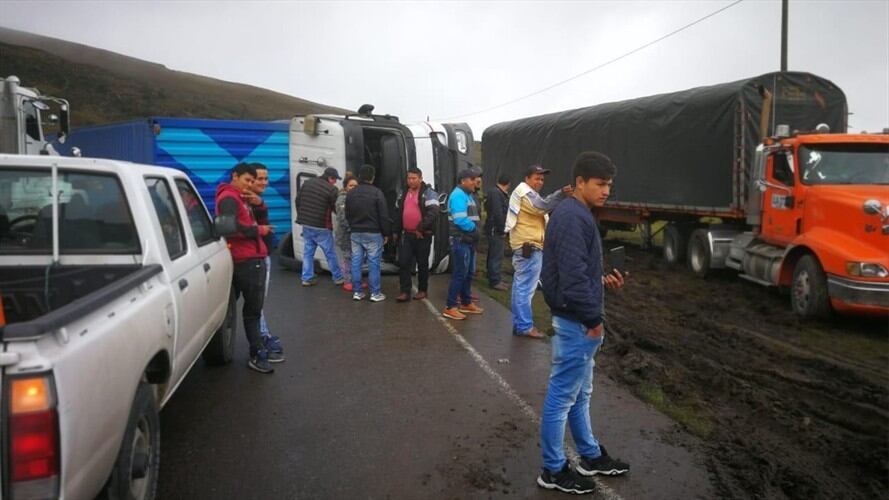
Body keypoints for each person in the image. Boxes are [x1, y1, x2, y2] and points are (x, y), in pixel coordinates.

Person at [537, 151, 629, 494]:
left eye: (609, 184)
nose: (606, 190)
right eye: (600, 184)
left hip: (577, 317)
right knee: (562, 396)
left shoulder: (576, 213)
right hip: (577, 322)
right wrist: (593, 319)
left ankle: (589, 456)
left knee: (579, 395)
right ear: (579, 182)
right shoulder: (573, 217)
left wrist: (602, 282)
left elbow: (573, 272)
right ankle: (553, 469)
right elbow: (573, 278)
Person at [215, 162, 275, 374]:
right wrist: (259, 230)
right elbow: (226, 227)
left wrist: (259, 205)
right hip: (246, 261)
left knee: (249, 310)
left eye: (252, 181)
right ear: (235, 176)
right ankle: (257, 353)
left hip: (251, 258)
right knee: (252, 312)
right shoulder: (230, 198)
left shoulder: (240, 197)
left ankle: (256, 350)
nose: (249, 184)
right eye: (246, 180)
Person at [505, 165, 571, 339]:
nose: (540, 182)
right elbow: (542, 207)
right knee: (525, 288)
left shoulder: (525, 192)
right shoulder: (525, 193)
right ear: (527, 178)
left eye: (542, 179)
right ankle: (525, 326)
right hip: (530, 246)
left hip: (526, 245)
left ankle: (520, 324)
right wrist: (561, 194)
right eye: (536, 178)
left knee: (520, 286)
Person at [245, 163, 284, 363]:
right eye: (259, 178)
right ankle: (262, 339)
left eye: (265, 179)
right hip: (253, 259)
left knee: (257, 304)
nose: (263, 182)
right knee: (255, 305)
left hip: (262, 254)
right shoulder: (247, 202)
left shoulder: (257, 201)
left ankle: (263, 336)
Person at [442, 168, 484, 320]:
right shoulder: (458, 195)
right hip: (461, 240)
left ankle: (466, 303)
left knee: (468, 273)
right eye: (472, 179)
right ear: (463, 181)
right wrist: (475, 230)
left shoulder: (468, 195)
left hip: (469, 241)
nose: (475, 182)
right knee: (460, 273)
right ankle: (450, 306)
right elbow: (460, 219)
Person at [393, 167, 439, 302]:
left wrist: (421, 228)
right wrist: (395, 231)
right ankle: (405, 291)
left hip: (423, 235)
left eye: (414, 178)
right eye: (409, 178)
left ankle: (422, 290)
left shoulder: (429, 193)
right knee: (404, 262)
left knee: (422, 264)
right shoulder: (403, 193)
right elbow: (398, 212)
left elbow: (433, 213)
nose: (411, 181)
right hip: (406, 235)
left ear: (420, 178)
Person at [345, 164, 390, 302]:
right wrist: (386, 233)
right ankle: (375, 293)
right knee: (373, 263)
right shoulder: (377, 193)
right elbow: (383, 215)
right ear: (373, 177)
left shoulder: (351, 193)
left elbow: (347, 213)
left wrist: (353, 226)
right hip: (373, 233)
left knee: (356, 262)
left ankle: (357, 292)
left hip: (355, 232)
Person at [296, 166, 345, 287]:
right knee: (330, 252)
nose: (335, 182)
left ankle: (306, 278)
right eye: (335, 179)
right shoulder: (332, 189)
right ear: (330, 178)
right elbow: (335, 208)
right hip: (321, 225)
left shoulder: (307, 183)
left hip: (306, 224)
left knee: (308, 252)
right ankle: (338, 277)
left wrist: (302, 216)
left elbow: (298, 200)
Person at [484, 173, 511, 291]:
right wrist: (502, 229)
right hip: (496, 228)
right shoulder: (496, 193)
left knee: (494, 253)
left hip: (494, 227)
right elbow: (498, 213)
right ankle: (495, 280)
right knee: (496, 254)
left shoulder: (496, 193)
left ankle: (494, 276)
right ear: (508, 184)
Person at [334, 173, 359, 292]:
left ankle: (355, 280)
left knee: (354, 258)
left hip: (352, 235)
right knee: (346, 259)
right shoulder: (342, 199)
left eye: (355, 186)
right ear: (345, 187)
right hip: (344, 236)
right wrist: (354, 229)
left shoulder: (355, 198)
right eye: (351, 186)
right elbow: (343, 219)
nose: (353, 188)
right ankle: (347, 281)